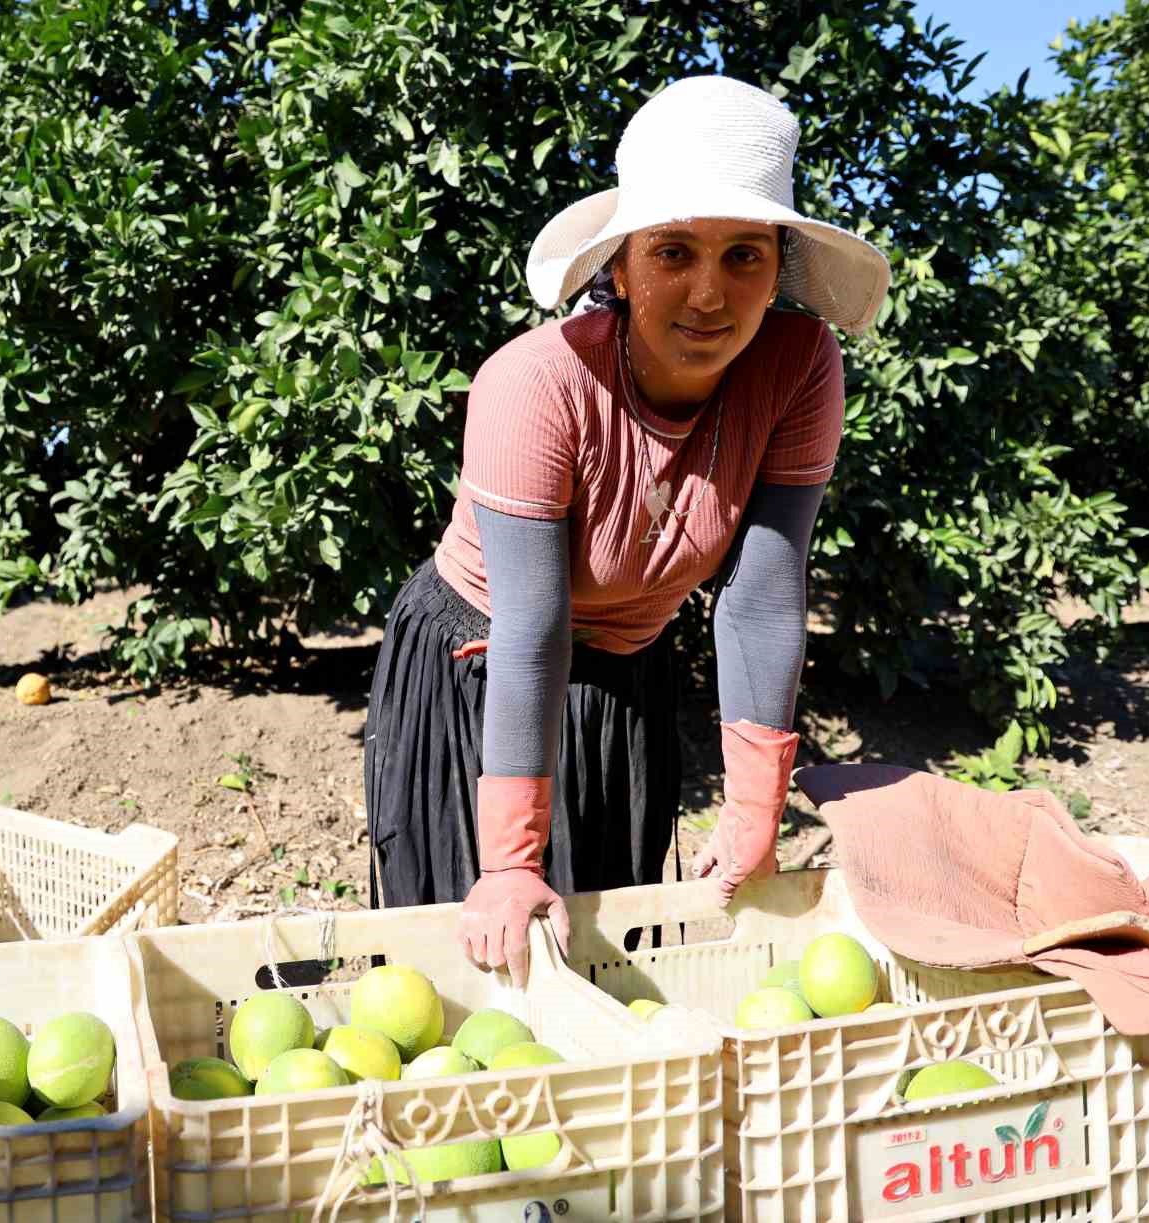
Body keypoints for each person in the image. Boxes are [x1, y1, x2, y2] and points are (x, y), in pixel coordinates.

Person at [363, 75, 890, 982]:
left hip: (626, 673)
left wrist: (755, 806)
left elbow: (761, 595)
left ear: (778, 265)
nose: (709, 295)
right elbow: (532, 629)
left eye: (743, 257)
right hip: (483, 670)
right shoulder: (536, 384)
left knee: (613, 961)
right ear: (620, 265)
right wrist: (510, 862)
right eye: (675, 253)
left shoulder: (800, 366)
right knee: (475, 968)